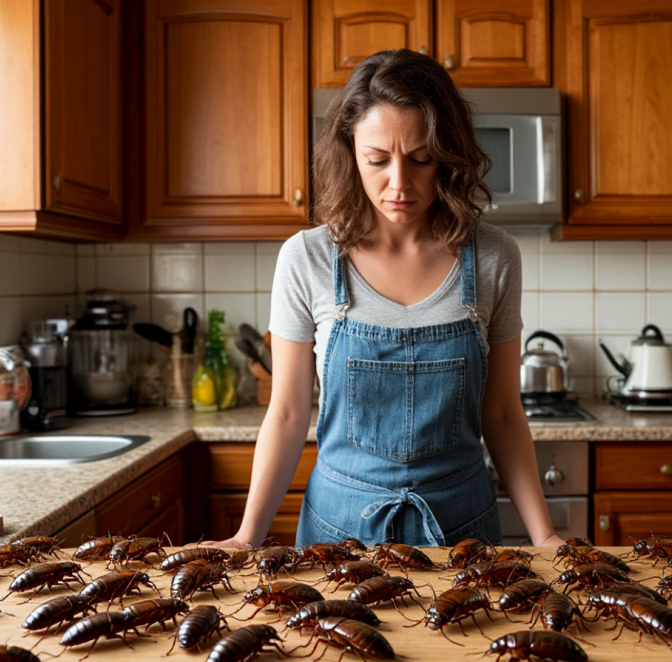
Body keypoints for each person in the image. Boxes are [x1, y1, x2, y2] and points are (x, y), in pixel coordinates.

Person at [213, 49, 561, 549]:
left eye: (421, 159)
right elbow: (288, 413)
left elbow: (503, 413)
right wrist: (248, 536)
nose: (399, 183)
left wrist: (545, 536)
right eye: (377, 160)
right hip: (338, 532)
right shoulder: (306, 258)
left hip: (462, 534)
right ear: (350, 151)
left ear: (448, 154)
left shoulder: (494, 258)